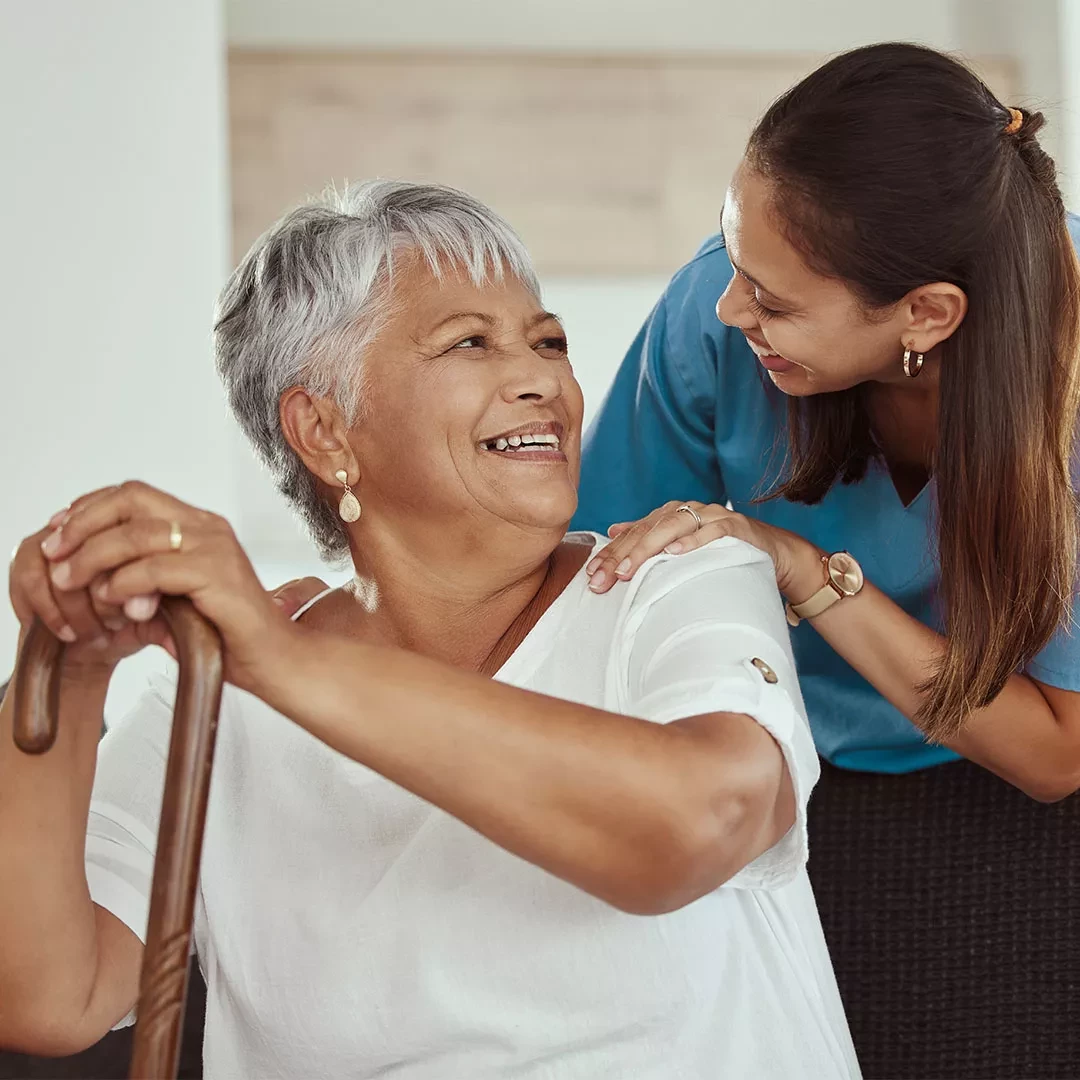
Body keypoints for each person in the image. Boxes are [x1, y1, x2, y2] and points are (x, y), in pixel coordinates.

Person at [0, 182, 859, 1078]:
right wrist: (62, 674)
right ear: (325, 430)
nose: (541, 380)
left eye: (547, 341)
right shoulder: (216, 687)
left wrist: (284, 661)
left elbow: (701, 822)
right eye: (470, 344)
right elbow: (45, 1000)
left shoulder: (674, 576)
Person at [571, 43, 1080, 1077]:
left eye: (773, 298)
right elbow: (593, 576)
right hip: (785, 776)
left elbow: (1055, 752)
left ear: (926, 315)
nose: (727, 309)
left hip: (1022, 811)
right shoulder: (713, 319)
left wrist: (803, 572)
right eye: (731, 257)